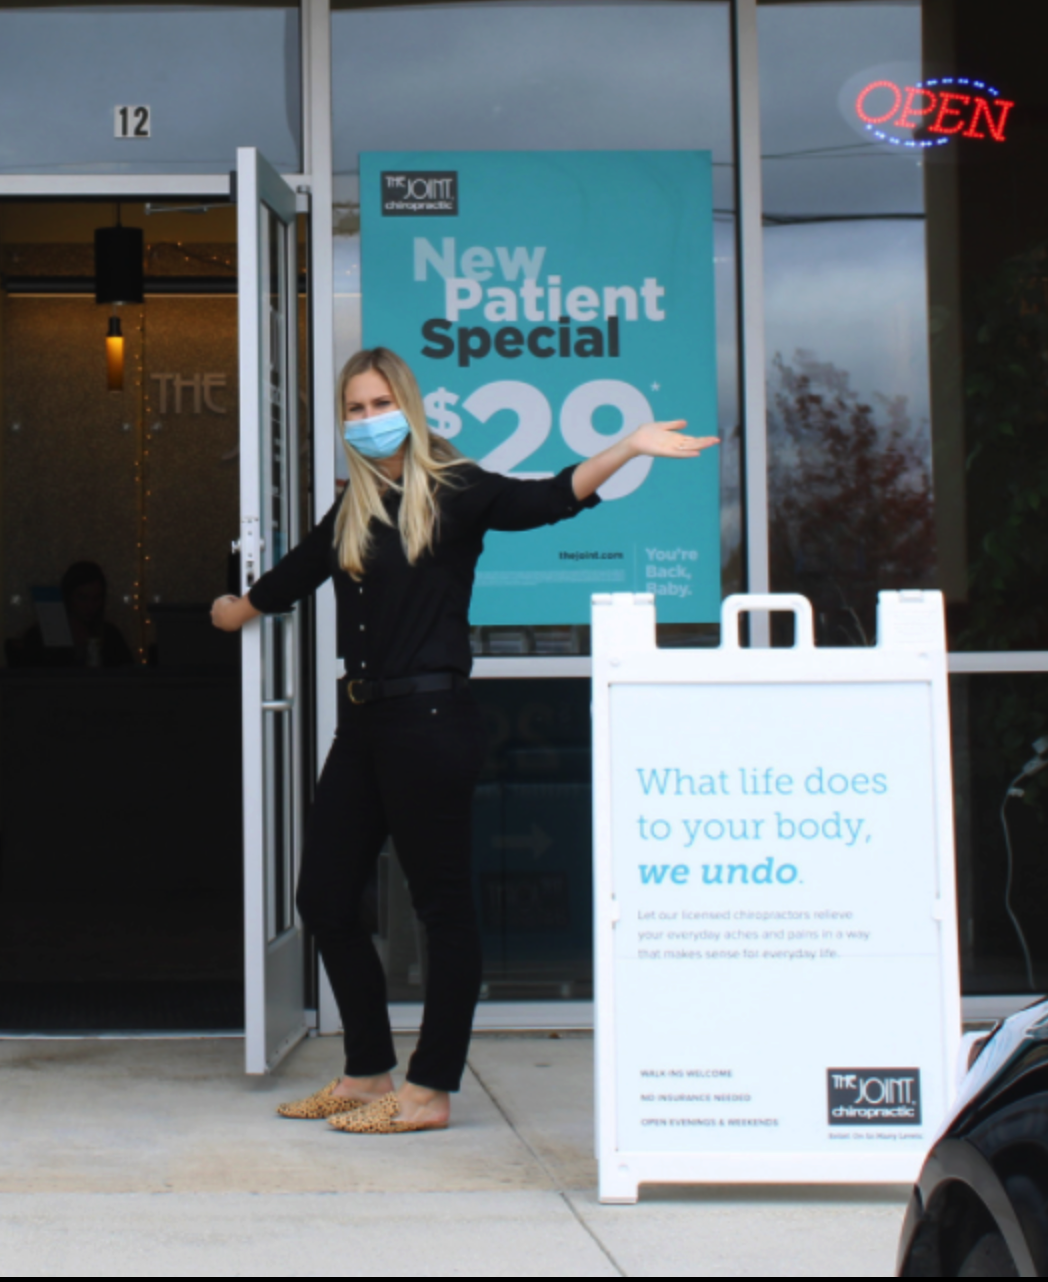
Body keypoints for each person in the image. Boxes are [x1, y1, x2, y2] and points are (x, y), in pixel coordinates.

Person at [211, 346, 717, 1135]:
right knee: (324, 898)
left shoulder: (453, 490)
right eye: (354, 409)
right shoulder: (353, 507)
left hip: (432, 723)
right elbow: (295, 574)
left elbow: (548, 497)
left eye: (381, 404)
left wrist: (627, 448)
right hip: (363, 724)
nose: (368, 419)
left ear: (409, 409)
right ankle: (367, 1072)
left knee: (441, 907)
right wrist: (236, 609)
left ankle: (430, 1089)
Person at [18, 561, 135, 667]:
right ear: (68, 597)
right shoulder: (39, 637)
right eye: (83, 598)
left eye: (96, 598)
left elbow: (128, 673)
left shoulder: (110, 635)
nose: (90, 606)